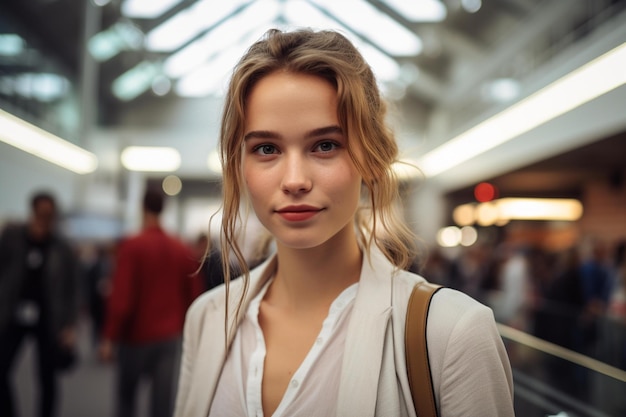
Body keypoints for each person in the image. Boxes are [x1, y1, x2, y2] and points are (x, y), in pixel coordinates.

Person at [174, 28, 514, 417]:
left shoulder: (453, 332)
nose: (295, 180)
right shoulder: (207, 318)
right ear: (240, 164)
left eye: (325, 145)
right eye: (266, 149)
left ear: (370, 157)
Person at [99, 188, 204, 417]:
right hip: (169, 337)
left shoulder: (132, 246)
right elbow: (194, 296)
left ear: (142, 208)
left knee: (127, 399)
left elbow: (122, 297)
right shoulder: (180, 248)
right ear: (164, 209)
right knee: (162, 403)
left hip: (135, 337)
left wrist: (109, 336)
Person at [0, 191, 80, 417]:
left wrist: (70, 326)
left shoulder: (62, 247)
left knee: (47, 376)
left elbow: (73, 287)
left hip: (49, 318)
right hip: (12, 315)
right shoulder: (12, 237)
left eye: (49, 213)